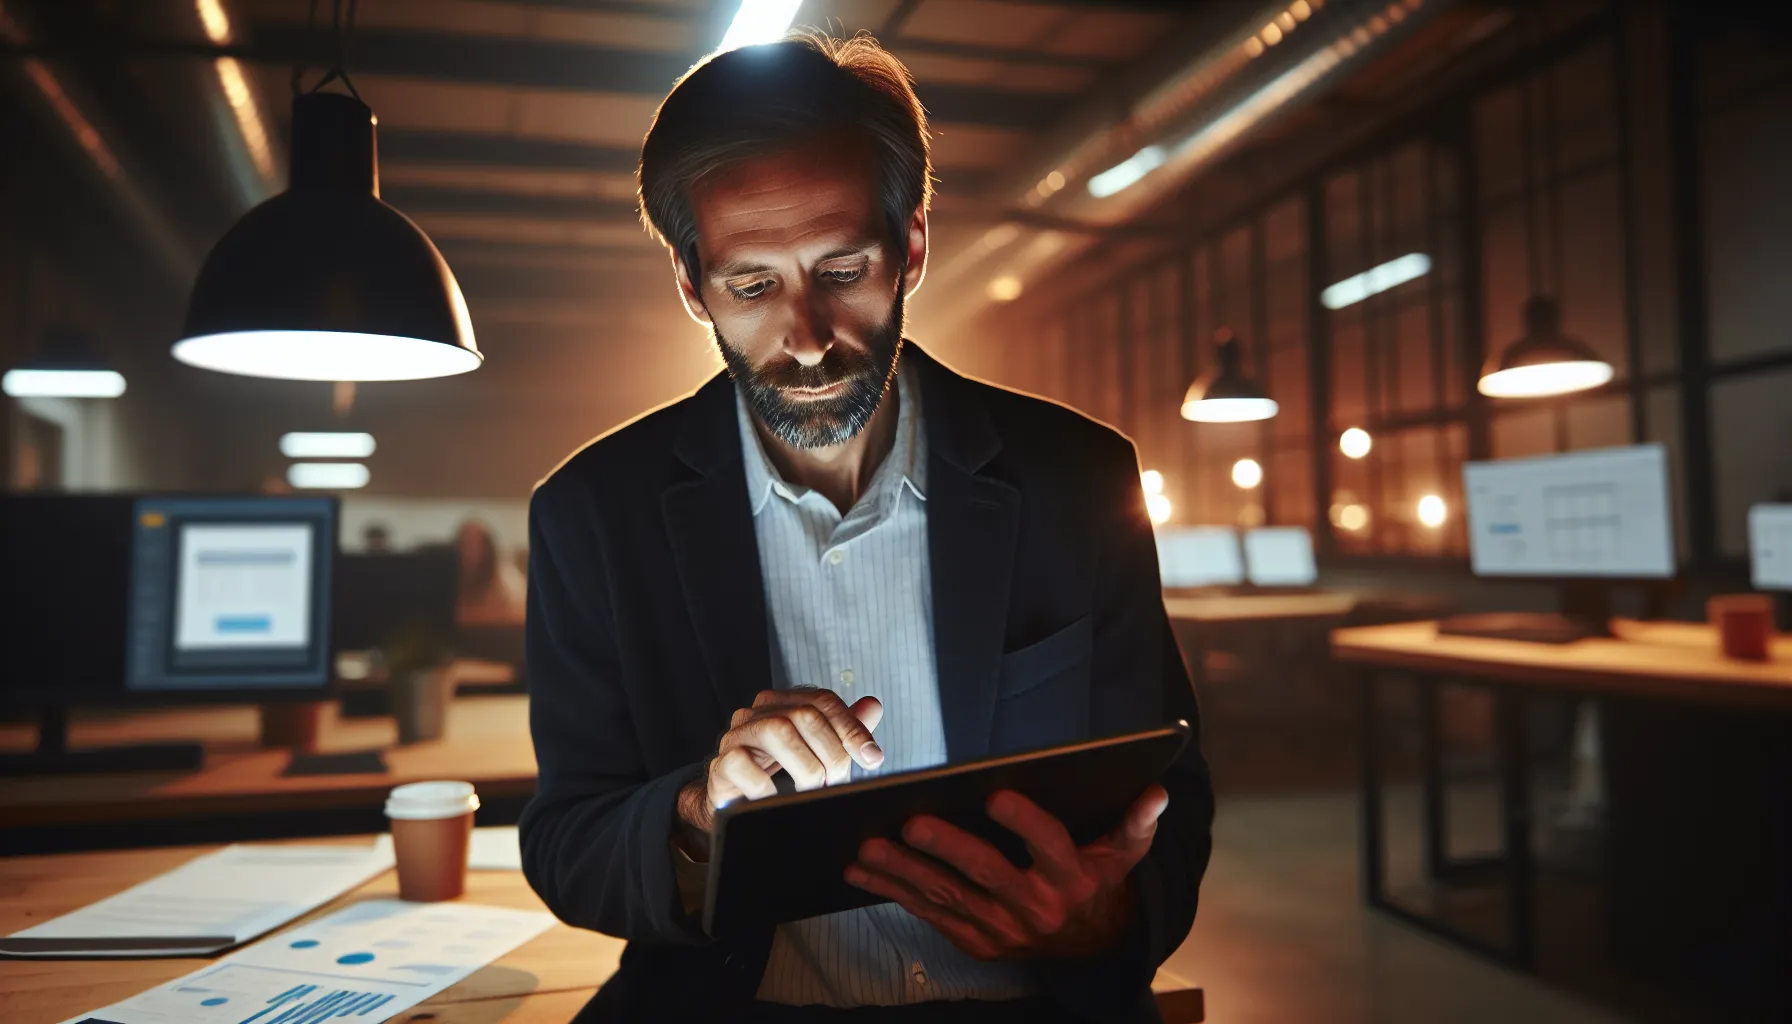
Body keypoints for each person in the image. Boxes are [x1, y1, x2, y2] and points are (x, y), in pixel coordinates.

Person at [520, 33, 1213, 1023]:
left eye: (841, 268)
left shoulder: (1078, 477)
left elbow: (1171, 792)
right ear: (689, 286)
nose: (804, 338)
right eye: (750, 285)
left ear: (912, 246)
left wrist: (1093, 921)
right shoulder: (592, 513)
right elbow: (566, 841)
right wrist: (692, 817)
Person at [453, 518, 526, 627]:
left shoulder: (508, 583)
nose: (469, 551)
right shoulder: (452, 580)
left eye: (475, 543)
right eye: (464, 543)